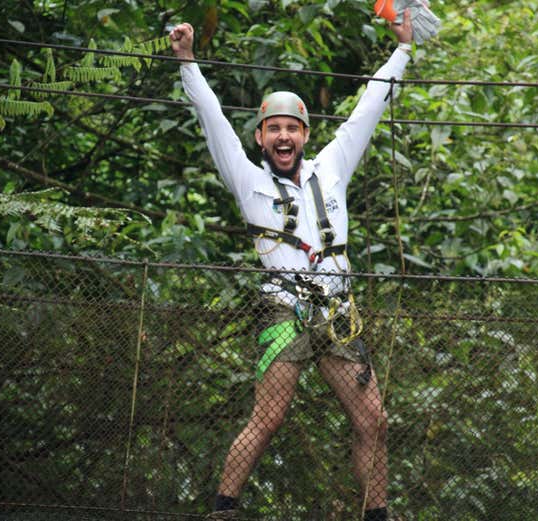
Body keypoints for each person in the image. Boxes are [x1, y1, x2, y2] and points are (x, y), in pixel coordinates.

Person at [170, 10, 415, 521]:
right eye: (273, 129)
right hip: (283, 310)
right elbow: (212, 119)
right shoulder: (248, 180)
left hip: (336, 310)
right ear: (261, 138)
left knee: (374, 420)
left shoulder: (332, 166)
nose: (283, 137)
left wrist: (403, 49)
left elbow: (368, 108)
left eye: (292, 129)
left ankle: (377, 515)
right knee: (269, 416)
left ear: (305, 135)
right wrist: (188, 61)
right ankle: (223, 509)